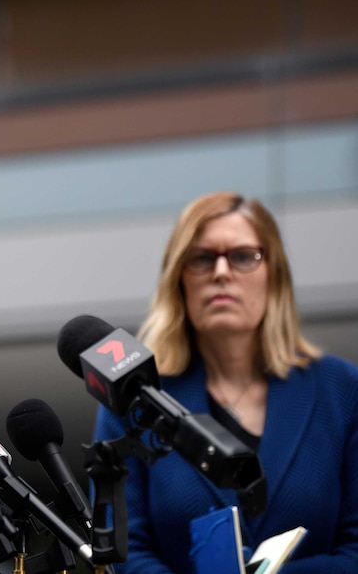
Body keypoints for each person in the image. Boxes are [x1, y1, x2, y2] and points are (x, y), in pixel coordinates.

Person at [92, 191, 358, 573]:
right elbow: (126, 551)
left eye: (242, 256)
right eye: (201, 258)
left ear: (275, 275)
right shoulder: (136, 399)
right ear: (178, 281)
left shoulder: (341, 389)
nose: (221, 272)